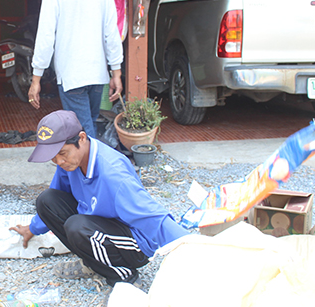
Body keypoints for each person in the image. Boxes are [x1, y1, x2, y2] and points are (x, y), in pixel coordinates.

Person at [10, 110, 189, 286]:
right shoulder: (69, 164)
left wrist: (193, 248)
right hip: (99, 227)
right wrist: (32, 229)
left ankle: (124, 278)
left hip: (134, 242)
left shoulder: (113, 175)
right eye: (53, 158)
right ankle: (93, 262)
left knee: (77, 227)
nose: (59, 162)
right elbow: (56, 195)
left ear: (81, 138)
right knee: (46, 200)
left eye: (63, 154)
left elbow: (153, 218)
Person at [28, 0, 123, 140]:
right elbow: (111, 34)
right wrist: (116, 72)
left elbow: (46, 37)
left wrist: (36, 78)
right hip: (98, 74)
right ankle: (90, 167)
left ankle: (93, 170)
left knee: (84, 133)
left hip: (72, 76)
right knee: (89, 123)